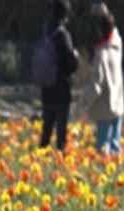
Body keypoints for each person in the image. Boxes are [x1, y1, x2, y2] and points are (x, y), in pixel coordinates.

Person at [83, 4, 124, 155]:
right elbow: (111, 28)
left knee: (102, 148)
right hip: (118, 104)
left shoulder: (101, 54)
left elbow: (96, 85)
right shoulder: (116, 44)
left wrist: (83, 103)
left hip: (105, 108)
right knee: (115, 146)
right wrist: (104, 13)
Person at [39, 0, 79, 151]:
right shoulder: (62, 34)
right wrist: (76, 57)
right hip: (61, 89)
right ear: (65, 14)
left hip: (46, 87)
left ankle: (39, 157)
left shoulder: (45, 31)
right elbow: (70, 64)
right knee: (61, 134)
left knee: (46, 130)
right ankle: (62, 162)